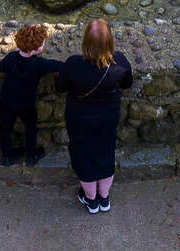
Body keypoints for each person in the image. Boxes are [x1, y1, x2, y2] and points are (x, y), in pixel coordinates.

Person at [56, 17, 133, 213]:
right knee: (106, 152)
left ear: (86, 42)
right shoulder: (120, 62)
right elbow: (127, 84)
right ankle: (104, 198)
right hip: (108, 116)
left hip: (79, 118)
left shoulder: (73, 64)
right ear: (110, 42)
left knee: (83, 154)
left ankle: (91, 199)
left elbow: (60, 87)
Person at [0, 24, 60, 167]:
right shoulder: (39, 64)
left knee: (5, 128)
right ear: (36, 50)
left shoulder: (11, 57)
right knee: (31, 128)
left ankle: (7, 156)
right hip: (27, 104)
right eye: (42, 44)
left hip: (7, 101)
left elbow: (1, 68)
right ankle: (31, 156)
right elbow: (60, 66)